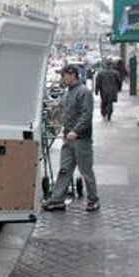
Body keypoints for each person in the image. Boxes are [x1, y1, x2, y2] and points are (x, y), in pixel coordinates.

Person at [42, 63, 100, 212]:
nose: (62, 78)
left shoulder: (83, 92)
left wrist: (76, 131)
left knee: (85, 170)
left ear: (72, 74)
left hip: (81, 139)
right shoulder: (68, 92)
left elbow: (86, 115)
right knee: (65, 169)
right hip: (69, 137)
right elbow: (64, 111)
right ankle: (57, 199)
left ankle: (93, 199)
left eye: (63, 75)